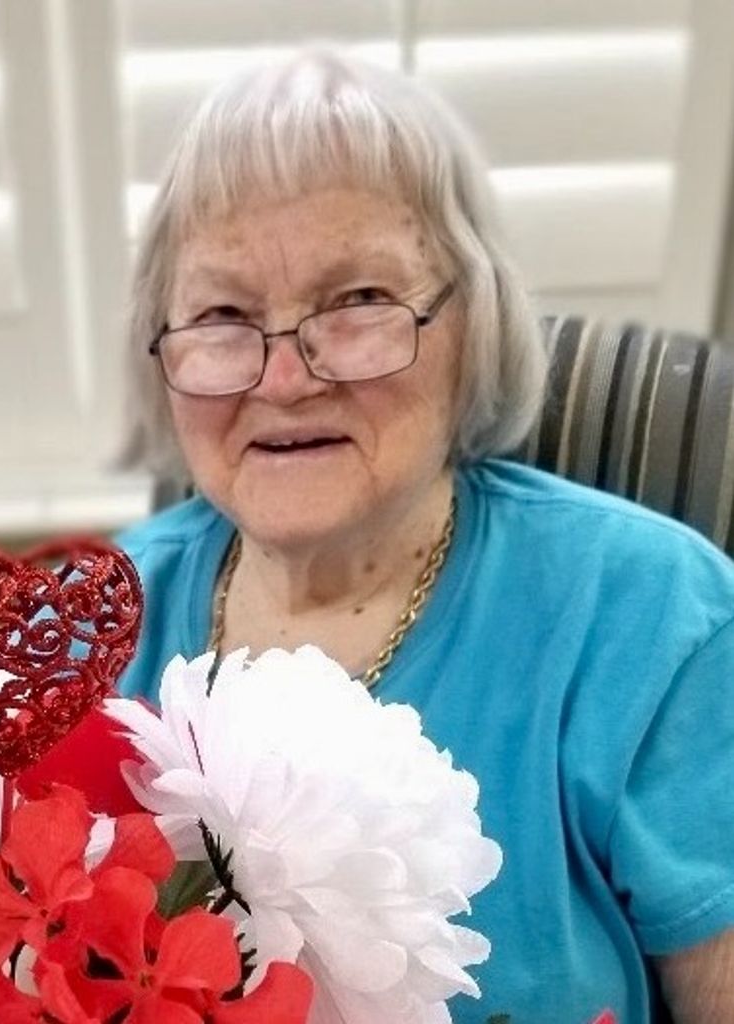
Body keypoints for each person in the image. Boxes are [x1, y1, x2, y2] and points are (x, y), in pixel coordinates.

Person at [115, 49, 734, 1022]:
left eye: (358, 301)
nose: (284, 378)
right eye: (224, 314)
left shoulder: (655, 620)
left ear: (472, 325)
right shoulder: (91, 624)